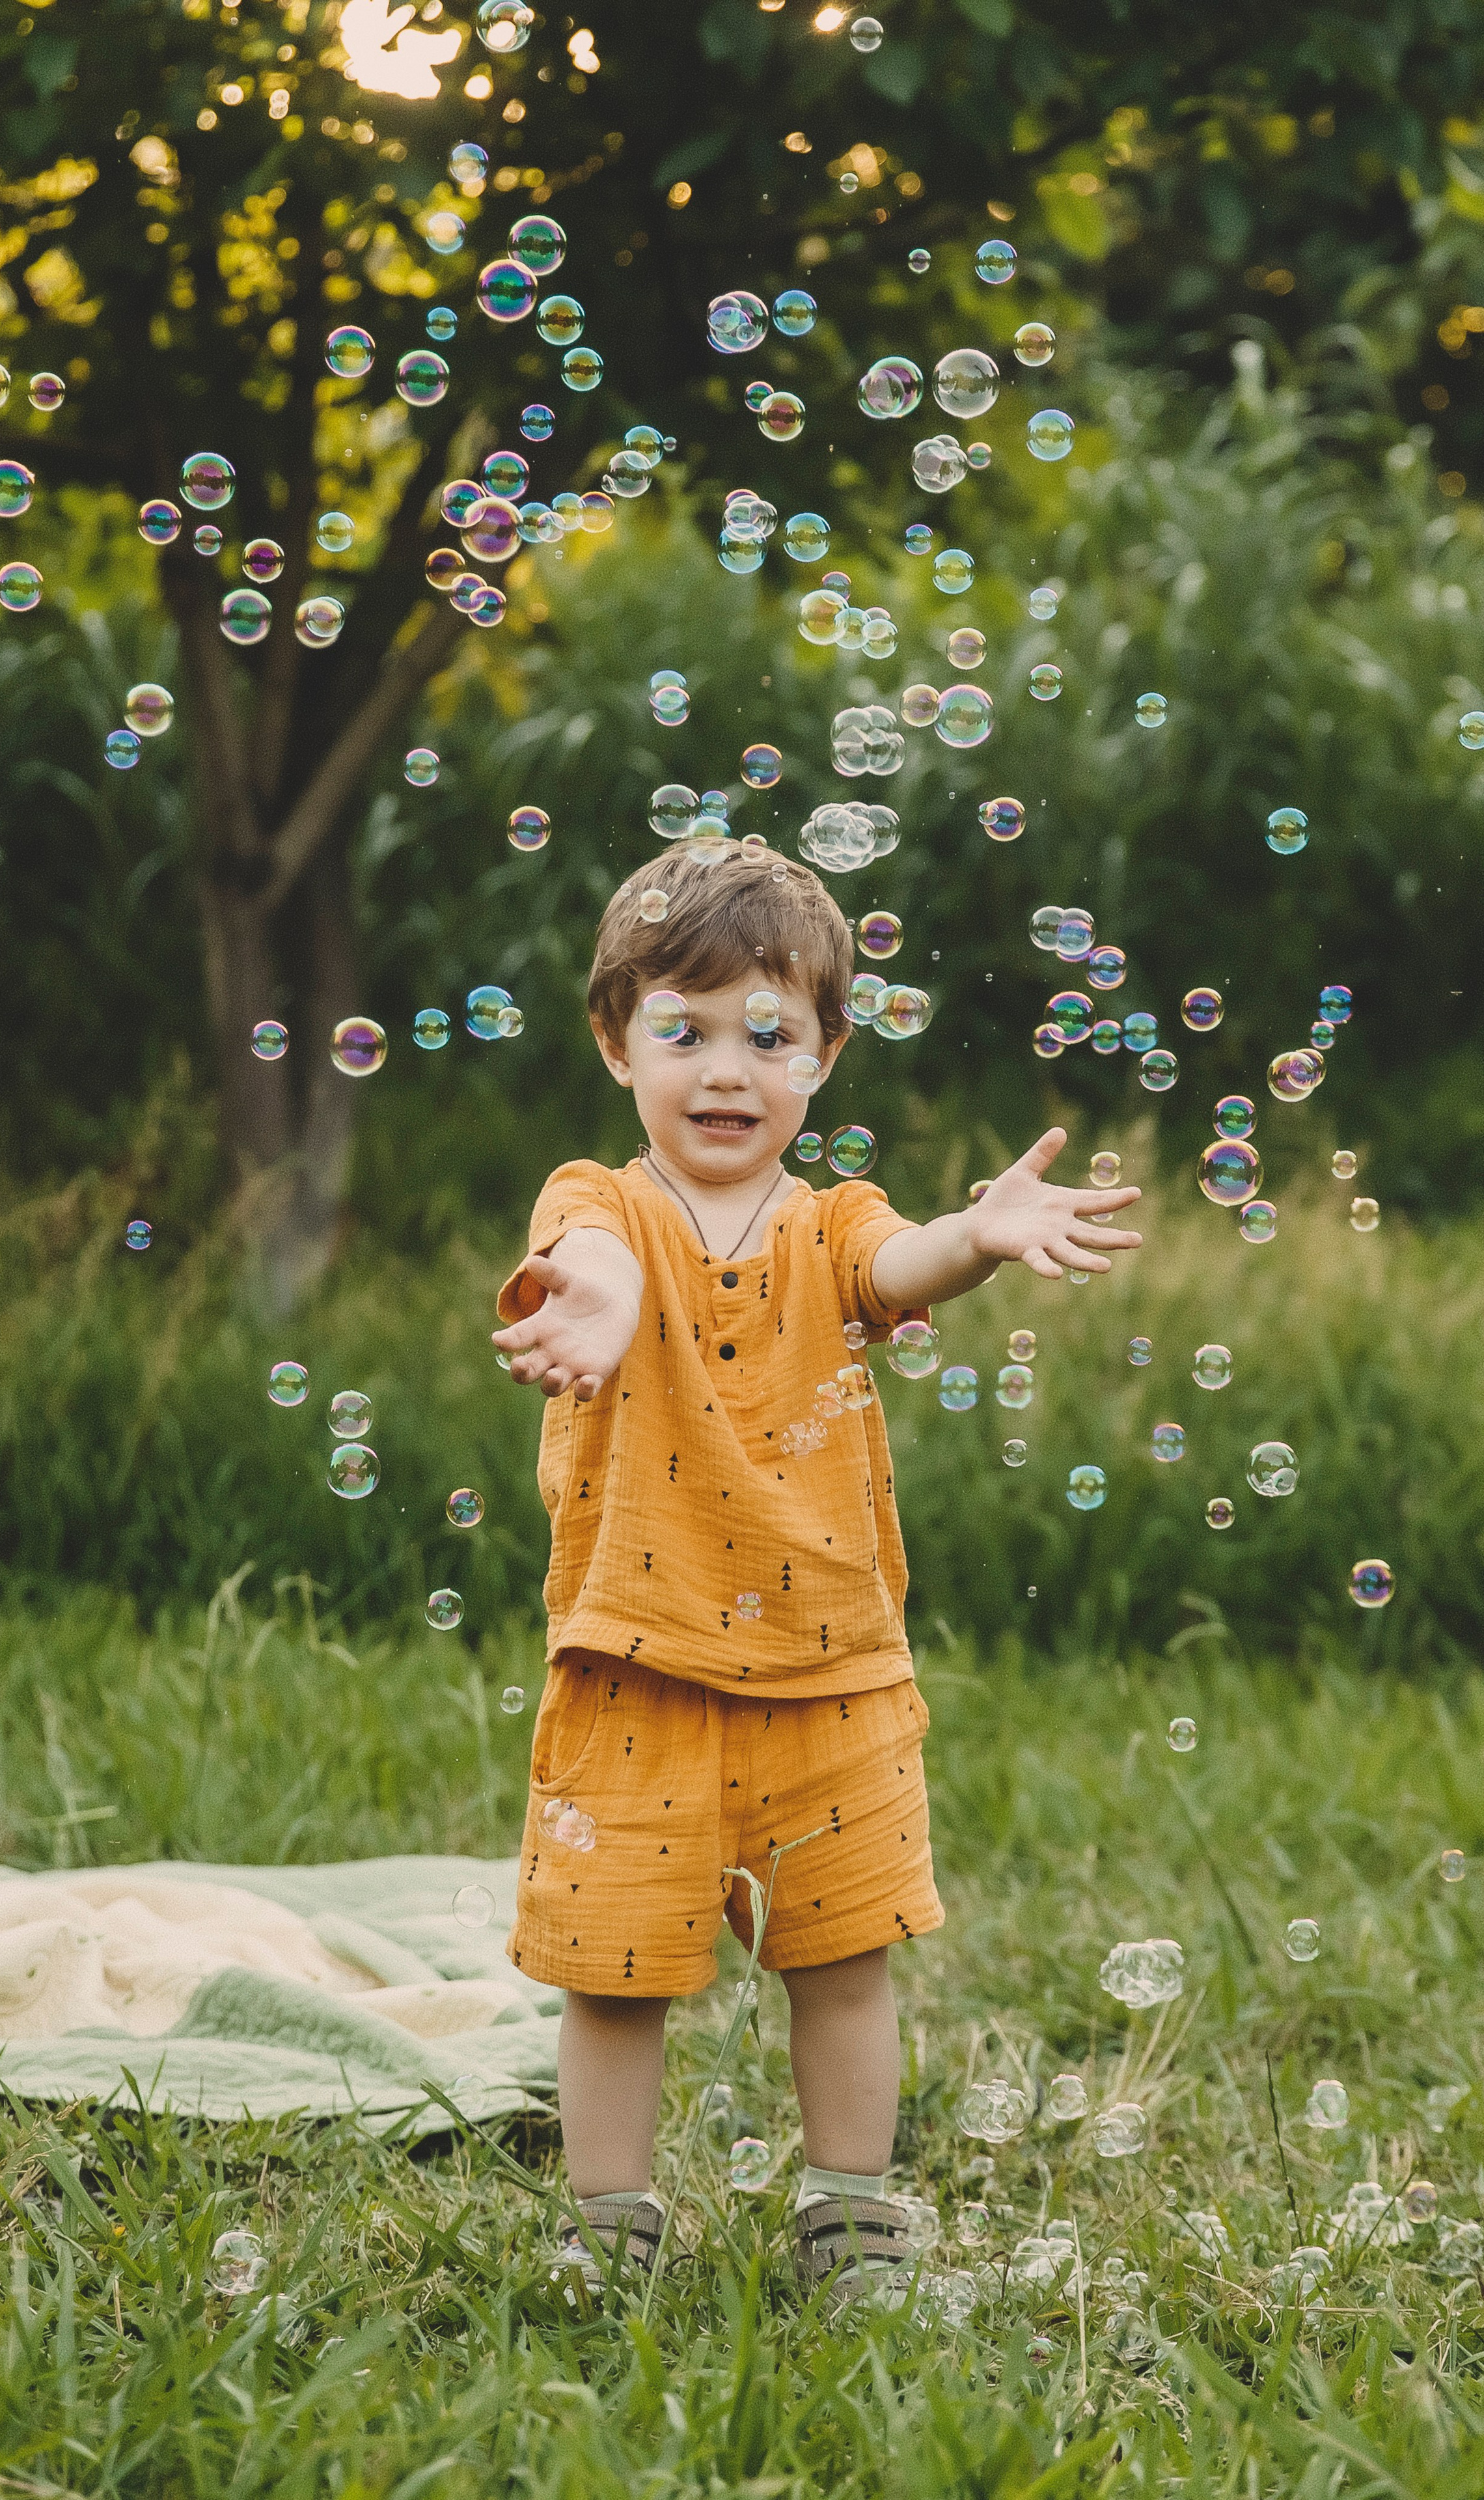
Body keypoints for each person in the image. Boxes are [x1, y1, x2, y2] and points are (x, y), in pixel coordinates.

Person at [491, 837, 1142, 2307]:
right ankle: (608, 2227)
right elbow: (587, 1257)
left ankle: (848, 2219)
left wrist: (978, 1234)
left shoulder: (834, 1221)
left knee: (843, 1965)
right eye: (686, 1029)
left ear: (826, 1056)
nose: (727, 1068)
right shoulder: (597, 1202)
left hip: (830, 1677)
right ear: (616, 1043)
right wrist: (591, 1310)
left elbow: (902, 1266)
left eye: (769, 1035)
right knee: (615, 1977)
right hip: (632, 1670)